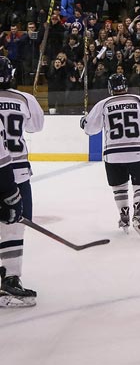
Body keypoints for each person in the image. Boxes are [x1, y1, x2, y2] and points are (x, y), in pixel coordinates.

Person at [81, 73, 140, 237]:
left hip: (112, 154)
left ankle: (124, 215)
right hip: (136, 151)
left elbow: (90, 129)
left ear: (110, 88)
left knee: (119, 186)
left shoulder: (104, 104)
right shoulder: (139, 101)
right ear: (126, 86)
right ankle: (139, 211)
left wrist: (84, 122)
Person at [0, 56, 42, 308]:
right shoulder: (24, 99)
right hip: (16, 172)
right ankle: (11, 277)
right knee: (15, 225)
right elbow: (36, 127)